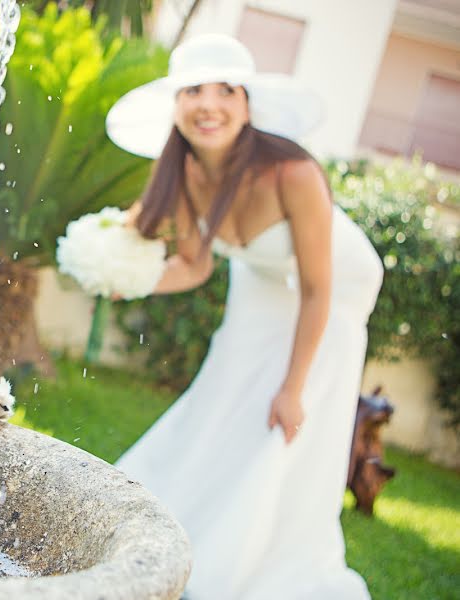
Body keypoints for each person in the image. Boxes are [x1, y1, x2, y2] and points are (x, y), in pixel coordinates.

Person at [105, 34, 383, 599]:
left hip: (334, 291)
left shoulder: (294, 172)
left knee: (279, 417)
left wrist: (293, 387)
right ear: (176, 105)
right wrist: (131, 280)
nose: (209, 105)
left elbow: (316, 287)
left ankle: (252, 547)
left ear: (247, 104)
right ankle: (174, 513)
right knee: (225, 389)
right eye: (193, 91)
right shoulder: (182, 175)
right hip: (260, 279)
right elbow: (193, 264)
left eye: (226, 90)